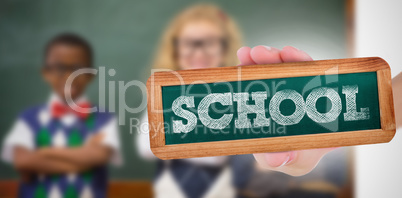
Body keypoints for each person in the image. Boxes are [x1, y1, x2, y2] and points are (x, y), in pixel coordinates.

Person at [137, 4, 253, 198]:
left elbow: (228, 153)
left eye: (210, 43)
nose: (199, 52)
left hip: (224, 189)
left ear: (225, 49)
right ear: (175, 50)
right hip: (171, 189)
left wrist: (175, 141)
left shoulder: (238, 96)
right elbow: (147, 145)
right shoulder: (163, 92)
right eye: (190, 43)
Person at [1, 33, 121, 198]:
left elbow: (99, 155)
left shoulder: (104, 118)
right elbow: (23, 160)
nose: (69, 76)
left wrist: (44, 152)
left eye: (78, 69)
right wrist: (82, 162)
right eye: (60, 68)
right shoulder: (28, 118)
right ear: (46, 73)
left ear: (91, 75)